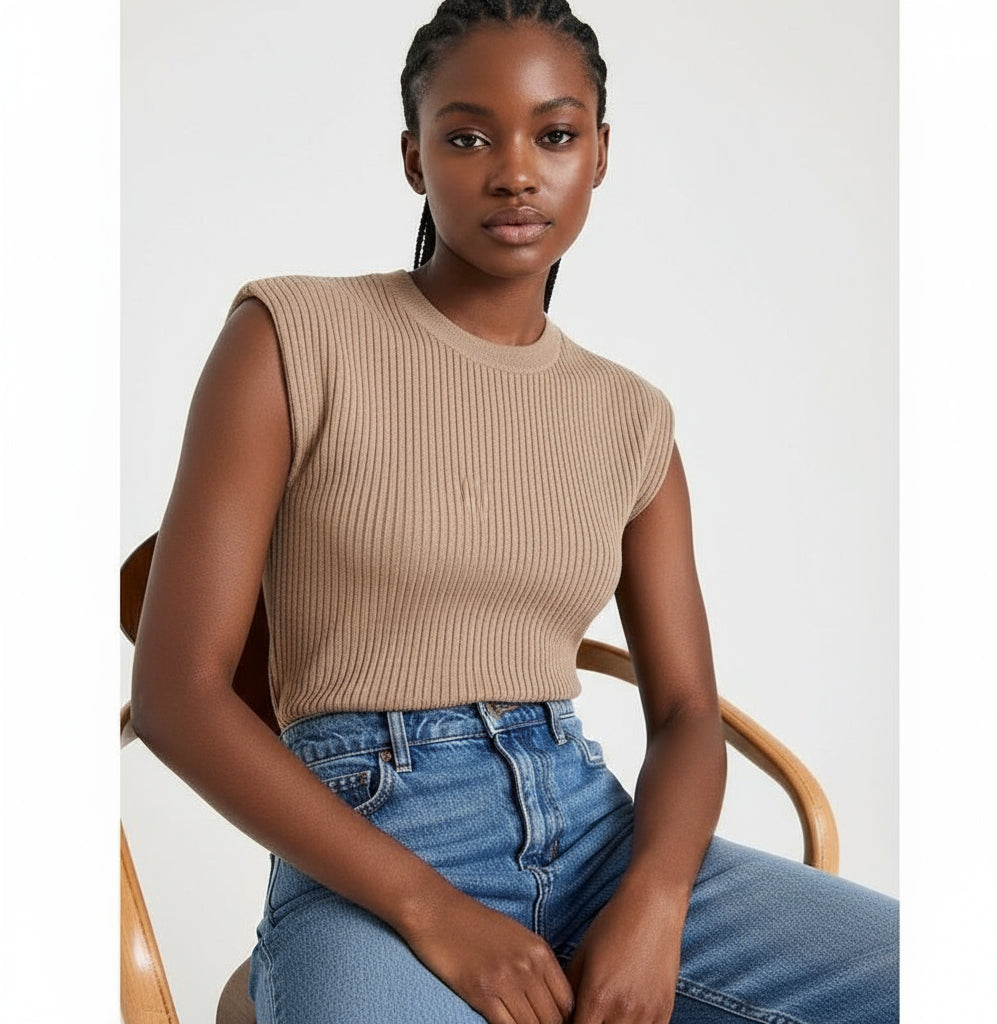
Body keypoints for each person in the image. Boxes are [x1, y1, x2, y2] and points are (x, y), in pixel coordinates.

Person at [130, 2, 898, 1022]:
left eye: (555, 132)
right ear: (414, 157)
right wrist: (429, 907)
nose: (515, 171)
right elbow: (179, 692)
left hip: (593, 837)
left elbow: (683, 715)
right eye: (466, 135)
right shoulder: (290, 336)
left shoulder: (633, 419)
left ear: (601, 152)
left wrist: (656, 899)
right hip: (369, 850)